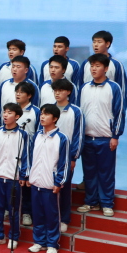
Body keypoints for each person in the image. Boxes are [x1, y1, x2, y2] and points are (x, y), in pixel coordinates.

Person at [77, 53, 125, 217]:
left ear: (106, 68)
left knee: (106, 173)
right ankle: (91, 202)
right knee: (89, 172)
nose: (94, 69)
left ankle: (106, 203)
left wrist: (115, 136)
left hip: (106, 138)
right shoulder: (84, 88)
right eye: (92, 66)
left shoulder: (114, 88)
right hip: (87, 138)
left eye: (97, 66)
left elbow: (119, 113)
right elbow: (79, 113)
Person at [27, 104, 70, 253]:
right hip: (35, 183)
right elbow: (30, 157)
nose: (42, 117)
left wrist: (59, 182)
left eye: (46, 114)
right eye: (41, 114)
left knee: (52, 216)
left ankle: (52, 244)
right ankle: (39, 242)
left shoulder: (62, 138)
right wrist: (29, 176)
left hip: (50, 184)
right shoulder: (37, 136)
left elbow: (64, 163)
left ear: (55, 118)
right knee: (37, 214)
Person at [0, 103, 29, 248]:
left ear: (17, 116)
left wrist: (23, 175)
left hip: (14, 177)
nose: (5, 115)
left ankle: (13, 237)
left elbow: (26, 156)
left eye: (9, 113)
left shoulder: (23, 134)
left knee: (13, 209)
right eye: (4, 112)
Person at [50, 79, 84, 232]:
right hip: (49, 155)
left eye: (61, 91)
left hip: (66, 157)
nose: (57, 93)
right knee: (49, 187)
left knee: (64, 187)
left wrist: (73, 157)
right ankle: (50, 218)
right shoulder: (49, 110)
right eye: (55, 91)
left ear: (68, 92)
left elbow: (78, 135)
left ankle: (64, 219)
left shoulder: (75, 111)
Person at [15, 81, 41, 226]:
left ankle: (26, 212)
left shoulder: (36, 112)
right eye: (16, 92)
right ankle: (10, 209)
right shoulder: (11, 109)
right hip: (13, 151)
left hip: (30, 153)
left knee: (26, 182)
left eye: (21, 92)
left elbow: (39, 133)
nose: (18, 94)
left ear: (29, 95)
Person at [79, 30, 127, 99]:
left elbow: (121, 90)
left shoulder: (116, 64)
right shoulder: (86, 63)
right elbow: (80, 85)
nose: (95, 45)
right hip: (87, 102)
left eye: (99, 42)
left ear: (107, 44)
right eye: (94, 42)